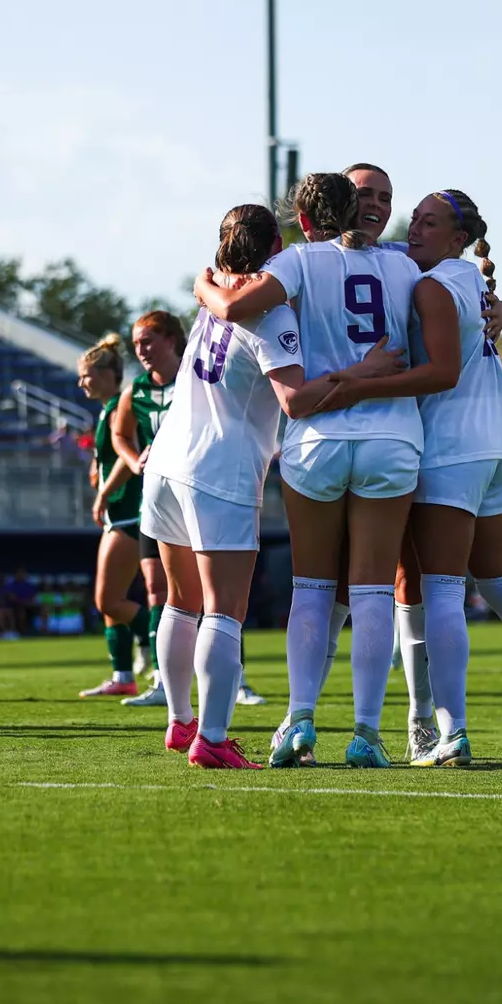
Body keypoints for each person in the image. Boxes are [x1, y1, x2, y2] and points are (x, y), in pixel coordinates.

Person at [306, 190, 502, 766]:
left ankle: (451, 731)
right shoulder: (462, 277)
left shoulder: (434, 285)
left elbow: (438, 374)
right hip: (495, 442)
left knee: (440, 589)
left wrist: (357, 386)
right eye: (415, 219)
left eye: (428, 223)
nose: (415, 229)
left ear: (458, 238)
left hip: (453, 446)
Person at [194, 172, 462, 768]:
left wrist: (203, 283)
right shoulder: (403, 265)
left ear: (304, 219)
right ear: (361, 212)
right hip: (392, 435)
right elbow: (461, 287)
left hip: (316, 437)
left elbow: (239, 305)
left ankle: (301, 722)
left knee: (312, 590)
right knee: (371, 590)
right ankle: (367, 733)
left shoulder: (299, 261)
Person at [146, 204, 399, 768]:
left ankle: (181, 722)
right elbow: (296, 401)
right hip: (220, 469)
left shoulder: (212, 290)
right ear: (275, 249)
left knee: (180, 602)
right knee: (223, 612)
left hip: (165, 463)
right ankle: (212, 739)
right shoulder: (271, 314)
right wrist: (362, 372)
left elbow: (212, 289)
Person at [112, 310, 184, 708]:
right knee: (156, 589)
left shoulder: (193, 378)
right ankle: (162, 681)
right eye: (137, 343)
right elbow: (120, 434)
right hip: (154, 498)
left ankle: (237, 679)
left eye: (149, 341)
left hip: (194, 493)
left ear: (172, 340)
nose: (141, 350)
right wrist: (134, 457)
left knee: (210, 593)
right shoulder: (135, 389)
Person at [78, 334, 147, 697]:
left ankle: (153, 644)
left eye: (87, 375)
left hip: (127, 511)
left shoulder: (122, 402)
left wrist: (103, 493)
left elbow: (128, 453)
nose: (81, 382)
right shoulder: (106, 410)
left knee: (108, 601)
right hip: (117, 513)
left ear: (108, 374)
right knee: (111, 603)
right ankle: (123, 677)